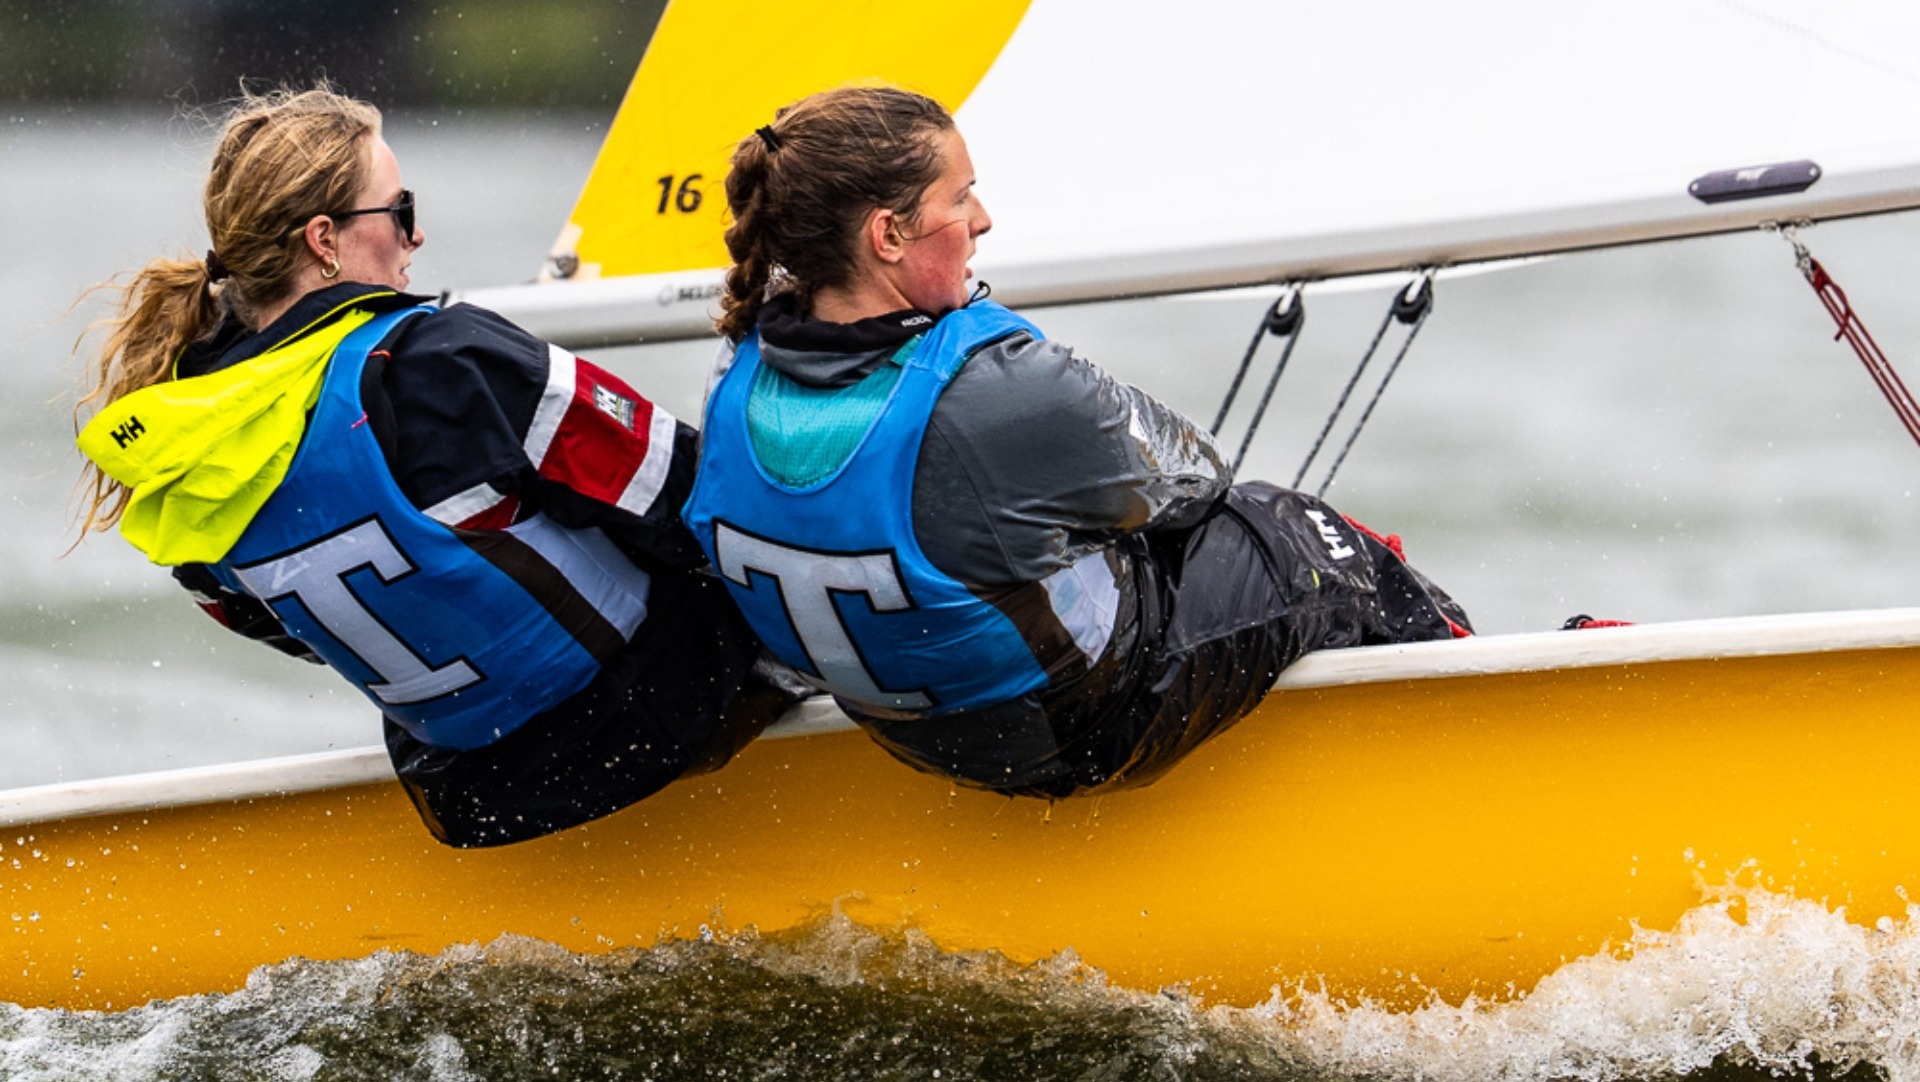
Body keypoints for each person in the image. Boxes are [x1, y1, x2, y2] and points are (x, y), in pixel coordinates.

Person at [682, 86, 1472, 800]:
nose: (983, 221)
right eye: (961, 200)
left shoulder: (735, 368)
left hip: (908, 737)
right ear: (888, 235)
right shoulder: (996, 386)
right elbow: (1195, 478)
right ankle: (1484, 727)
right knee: (1308, 536)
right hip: (1082, 735)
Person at [73, 84, 794, 847]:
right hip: (660, 722)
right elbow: (693, 496)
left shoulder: (181, 451)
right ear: (324, 240)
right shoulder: (445, 361)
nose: (416, 239)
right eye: (400, 213)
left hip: (474, 797)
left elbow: (273, 621)